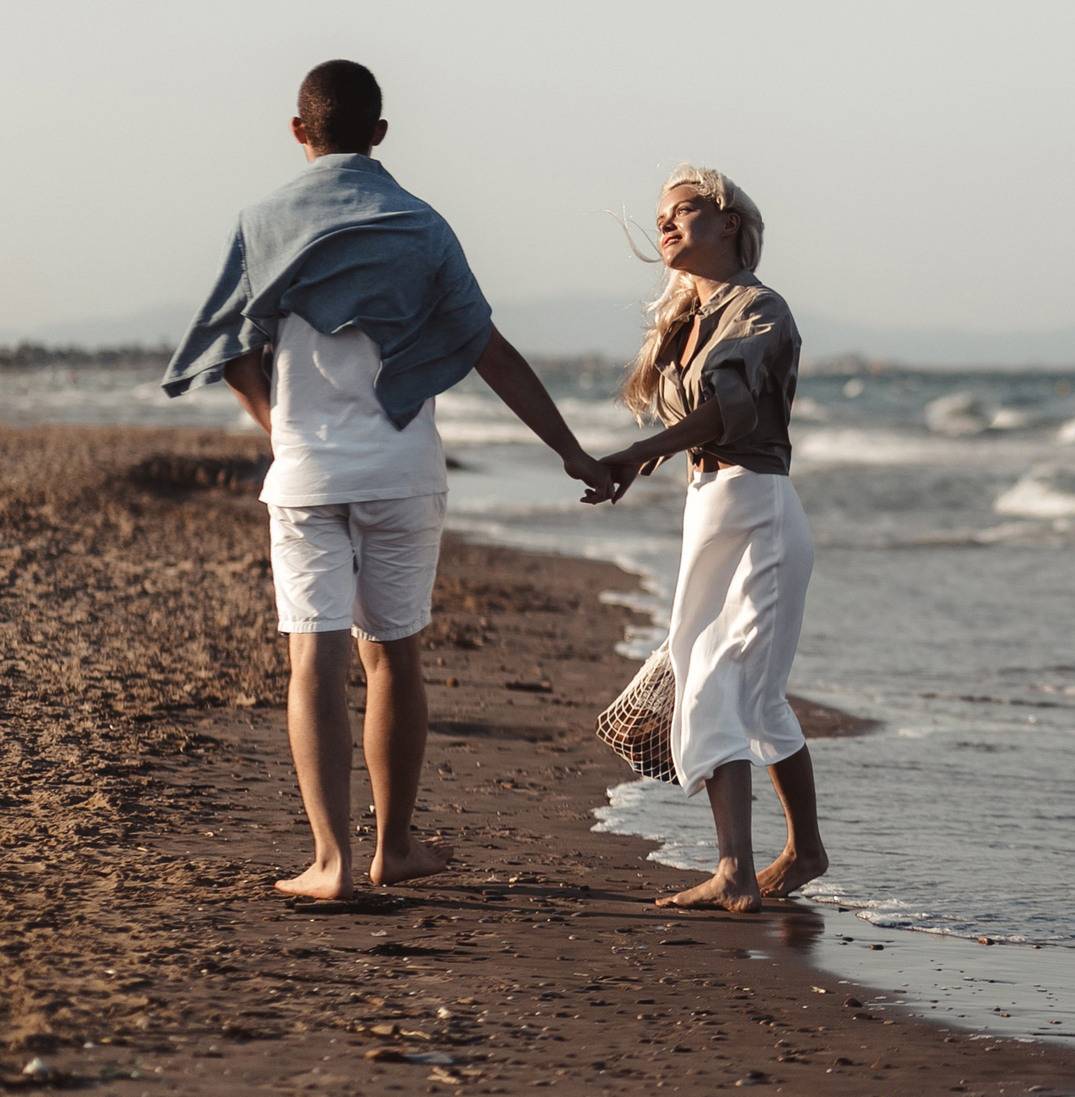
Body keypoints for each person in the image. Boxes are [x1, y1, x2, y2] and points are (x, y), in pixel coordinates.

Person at [161, 60, 616, 900]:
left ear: (300, 131)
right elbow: (490, 351)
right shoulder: (423, 226)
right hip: (403, 471)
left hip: (304, 475)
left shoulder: (262, 224)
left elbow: (230, 352)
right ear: (379, 134)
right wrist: (571, 450)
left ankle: (330, 861)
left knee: (313, 658)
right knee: (393, 657)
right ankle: (394, 846)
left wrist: (280, 427)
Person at [594, 164, 829, 913]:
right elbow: (698, 423)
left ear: (729, 222)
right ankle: (785, 854)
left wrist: (637, 451)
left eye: (685, 210)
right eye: (660, 215)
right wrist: (653, 454)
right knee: (718, 684)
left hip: (756, 503)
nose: (665, 224)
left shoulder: (759, 309)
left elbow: (729, 413)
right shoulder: (685, 316)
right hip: (711, 505)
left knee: (729, 685)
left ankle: (749, 866)